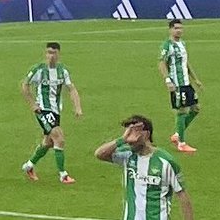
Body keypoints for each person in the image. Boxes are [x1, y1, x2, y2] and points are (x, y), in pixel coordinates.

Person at [95, 114, 194, 220]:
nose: (130, 138)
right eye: (128, 132)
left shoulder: (165, 162)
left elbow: (182, 194)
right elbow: (100, 154)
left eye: (134, 132)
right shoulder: (127, 155)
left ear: (146, 134)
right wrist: (122, 139)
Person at [21, 41, 82, 184]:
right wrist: (33, 104)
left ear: (58, 54)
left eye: (54, 53)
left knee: (48, 142)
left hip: (56, 110)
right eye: (49, 53)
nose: (51, 56)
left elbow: (71, 89)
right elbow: (25, 85)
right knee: (59, 138)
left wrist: (77, 107)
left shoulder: (62, 71)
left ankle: (29, 166)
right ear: (45, 54)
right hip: (43, 109)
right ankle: (63, 175)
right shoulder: (39, 70)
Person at [159, 20, 202, 153]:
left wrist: (195, 79)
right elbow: (162, 63)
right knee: (181, 111)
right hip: (177, 84)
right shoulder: (167, 45)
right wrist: (168, 80)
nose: (179, 31)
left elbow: (185, 63)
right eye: (176, 28)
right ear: (170, 30)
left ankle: (177, 134)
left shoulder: (182, 44)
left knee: (196, 108)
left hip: (186, 83)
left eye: (181, 28)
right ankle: (181, 143)